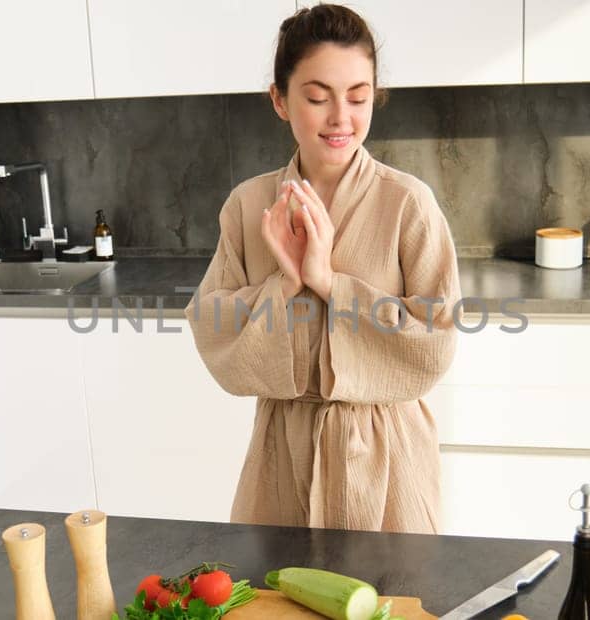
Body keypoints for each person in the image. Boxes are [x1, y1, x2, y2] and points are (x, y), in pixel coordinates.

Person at [185, 3, 461, 534]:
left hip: (385, 457)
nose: (341, 118)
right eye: (317, 97)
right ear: (280, 100)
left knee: (390, 607)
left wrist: (330, 283)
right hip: (279, 456)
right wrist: (283, 283)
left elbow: (436, 340)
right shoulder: (248, 206)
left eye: (359, 97)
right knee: (271, 605)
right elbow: (211, 328)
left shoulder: (407, 204)